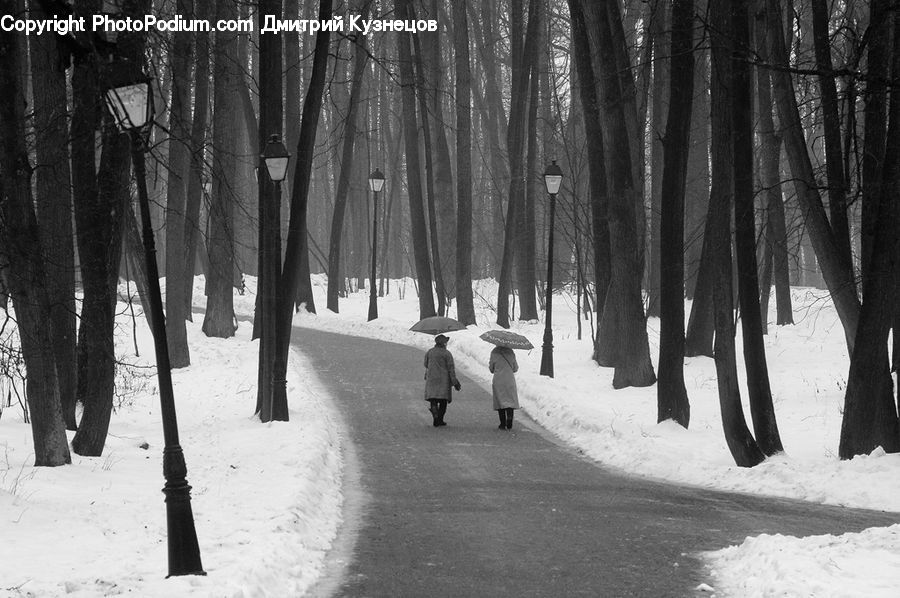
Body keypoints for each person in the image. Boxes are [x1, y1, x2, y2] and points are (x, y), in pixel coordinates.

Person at [423, 334, 461, 427]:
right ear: (444, 343)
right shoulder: (447, 354)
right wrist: (455, 382)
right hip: (443, 381)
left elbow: (425, 364)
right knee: (443, 402)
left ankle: (435, 414)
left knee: (433, 399)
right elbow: (451, 369)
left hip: (432, 379)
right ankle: (439, 419)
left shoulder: (430, 352)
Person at [489, 345, 519, 430]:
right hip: (509, 379)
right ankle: (510, 418)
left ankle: (502, 423)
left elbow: (491, 368)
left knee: (500, 401)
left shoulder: (494, 352)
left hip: (498, 380)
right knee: (509, 401)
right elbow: (515, 368)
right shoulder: (510, 351)